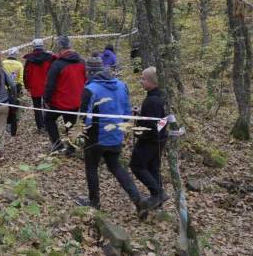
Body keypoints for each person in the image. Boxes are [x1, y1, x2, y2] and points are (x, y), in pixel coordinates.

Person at [76, 55, 151, 217]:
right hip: (116, 135)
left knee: (91, 167)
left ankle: (94, 202)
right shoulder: (122, 85)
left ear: (89, 71)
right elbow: (126, 111)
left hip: (96, 136)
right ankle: (138, 200)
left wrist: (83, 131)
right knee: (116, 166)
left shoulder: (90, 89)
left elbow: (84, 115)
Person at [130, 66, 169, 209]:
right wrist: (140, 113)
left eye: (144, 79)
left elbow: (152, 124)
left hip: (150, 140)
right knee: (153, 168)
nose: (141, 81)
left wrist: (140, 133)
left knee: (136, 165)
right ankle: (158, 198)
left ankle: (158, 193)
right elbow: (157, 118)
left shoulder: (152, 100)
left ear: (152, 82)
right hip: (158, 139)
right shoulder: (157, 97)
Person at [43, 35, 86, 154]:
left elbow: (49, 85)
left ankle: (58, 145)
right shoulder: (82, 61)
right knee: (70, 124)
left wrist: (46, 99)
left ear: (59, 47)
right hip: (76, 101)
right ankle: (71, 148)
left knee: (49, 120)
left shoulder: (57, 64)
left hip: (59, 102)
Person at [23, 39, 55, 132]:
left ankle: (40, 127)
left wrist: (27, 86)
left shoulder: (29, 59)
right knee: (47, 106)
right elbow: (53, 72)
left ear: (34, 46)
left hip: (34, 86)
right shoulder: (49, 57)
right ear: (42, 46)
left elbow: (26, 74)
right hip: (47, 86)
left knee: (37, 108)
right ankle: (47, 125)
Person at [2, 48, 24, 136]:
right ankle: (13, 130)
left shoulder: (2, 63)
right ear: (16, 55)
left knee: (4, 106)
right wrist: (20, 87)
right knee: (15, 108)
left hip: (4, 88)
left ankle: (6, 127)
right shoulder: (19, 64)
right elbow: (21, 78)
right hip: (16, 88)